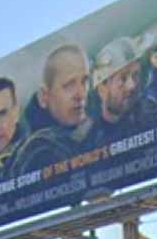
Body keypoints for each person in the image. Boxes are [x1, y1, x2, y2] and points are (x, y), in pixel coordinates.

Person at [11, 43, 95, 176]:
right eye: (69, 85)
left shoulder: (91, 127)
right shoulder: (38, 153)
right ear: (44, 97)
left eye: (85, 82)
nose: (81, 94)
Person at [88, 37, 153, 144]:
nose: (131, 85)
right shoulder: (90, 142)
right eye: (123, 78)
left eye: (135, 75)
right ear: (102, 88)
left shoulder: (150, 118)